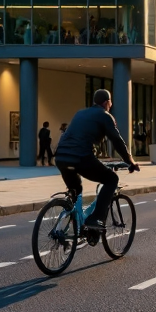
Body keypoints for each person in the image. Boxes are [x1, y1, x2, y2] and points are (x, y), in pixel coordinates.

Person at [54, 89, 141, 233]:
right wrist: (130, 161)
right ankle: (96, 219)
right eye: (110, 102)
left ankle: (73, 227)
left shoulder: (80, 113)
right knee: (111, 179)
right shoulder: (105, 116)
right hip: (80, 157)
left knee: (76, 190)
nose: (111, 105)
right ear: (107, 102)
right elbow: (117, 140)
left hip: (61, 157)